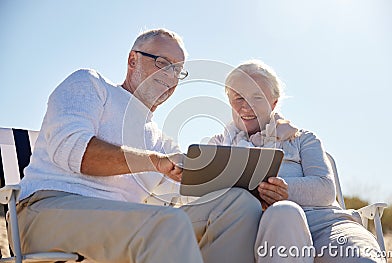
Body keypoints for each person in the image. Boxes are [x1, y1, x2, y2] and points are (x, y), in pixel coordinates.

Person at [14, 29, 262, 263]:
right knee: (168, 224)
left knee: (239, 205)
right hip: (47, 210)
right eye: (163, 63)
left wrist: (256, 188)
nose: (171, 76)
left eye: (178, 71)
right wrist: (154, 161)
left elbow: (180, 197)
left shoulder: (161, 141)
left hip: (123, 223)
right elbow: (71, 150)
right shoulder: (91, 85)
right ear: (133, 60)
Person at [209, 60, 385, 263]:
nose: (246, 106)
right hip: (262, 230)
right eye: (238, 97)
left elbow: (326, 189)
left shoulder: (301, 139)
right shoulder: (220, 146)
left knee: (361, 259)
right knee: (284, 212)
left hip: (324, 225)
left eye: (257, 97)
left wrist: (285, 190)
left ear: (273, 103)